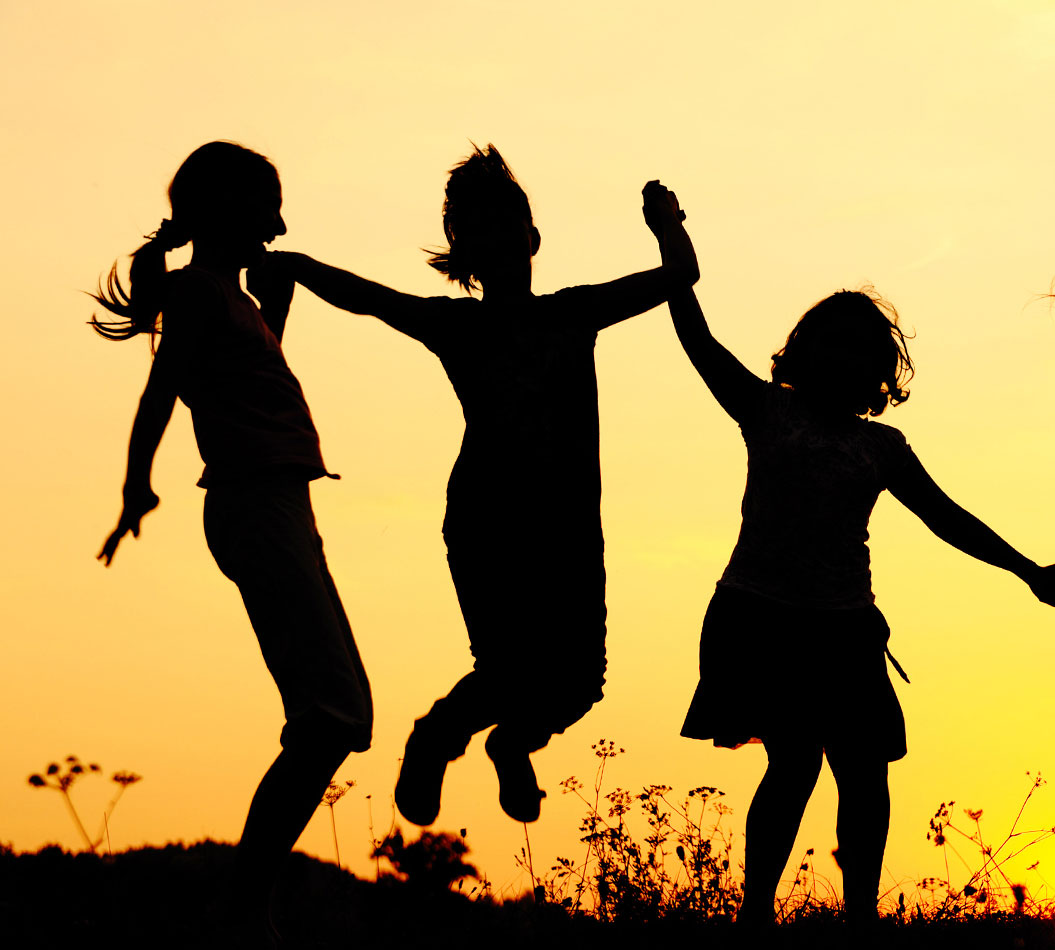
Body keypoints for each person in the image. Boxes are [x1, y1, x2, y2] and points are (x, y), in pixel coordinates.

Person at [659, 193, 1055, 928]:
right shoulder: (767, 410)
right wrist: (670, 238)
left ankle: (860, 920)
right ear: (802, 351)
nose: (846, 357)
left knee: (866, 772)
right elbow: (696, 335)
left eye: (862, 348)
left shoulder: (881, 448)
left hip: (846, 628)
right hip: (760, 616)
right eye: (832, 342)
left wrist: (1028, 569)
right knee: (792, 765)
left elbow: (948, 518)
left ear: (881, 369)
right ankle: (755, 913)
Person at [269, 145, 695, 824]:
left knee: (579, 682)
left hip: (569, 527)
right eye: (480, 229)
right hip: (487, 521)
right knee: (504, 669)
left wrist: (667, 221)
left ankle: (510, 744)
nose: (498, 239)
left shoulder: (572, 313)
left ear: (532, 239)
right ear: (462, 251)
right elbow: (368, 298)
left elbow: (681, 274)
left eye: (508, 225)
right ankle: (438, 737)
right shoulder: (455, 325)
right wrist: (296, 266)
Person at [91, 141, 371, 936]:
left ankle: (246, 904)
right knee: (332, 717)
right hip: (254, 508)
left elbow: (247, 378)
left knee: (340, 717)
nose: (280, 224)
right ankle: (243, 908)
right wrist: (136, 481)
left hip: (278, 506)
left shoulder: (231, 300)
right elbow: (163, 388)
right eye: (267, 206)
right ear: (226, 212)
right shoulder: (204, 298)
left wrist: (275, 308)